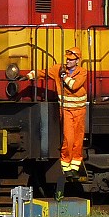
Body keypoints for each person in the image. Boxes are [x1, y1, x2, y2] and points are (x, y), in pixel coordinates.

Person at [27, 47, 89, 196]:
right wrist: (29, 75)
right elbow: (43, 73)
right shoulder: (58, 69)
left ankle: (74, 168)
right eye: (67, 59)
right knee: (69, 138)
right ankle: (66, 168)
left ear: (77, 60)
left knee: (78, 140)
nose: (68, 61)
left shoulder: (83, 72)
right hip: (66, 110)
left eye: (71, 59)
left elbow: (74, 86)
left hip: (80, 111)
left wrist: (64, 77)